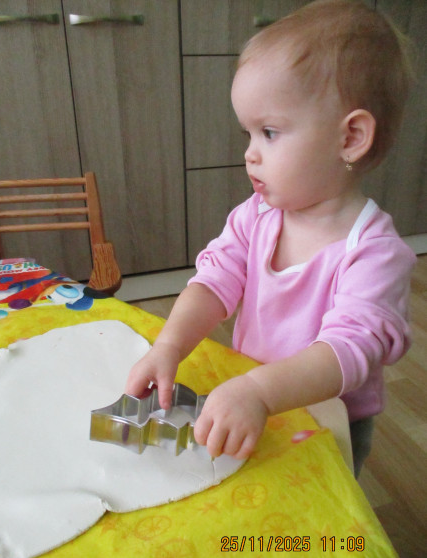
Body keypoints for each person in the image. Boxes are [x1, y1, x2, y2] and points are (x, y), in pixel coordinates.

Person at [125, 0, 417, 476]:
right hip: (248, 395)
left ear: (350, 139)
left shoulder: (375, 254)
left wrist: (260, 392)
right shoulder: (257, 216)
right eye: (248, 133)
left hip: (325, 419)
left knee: (313, 501)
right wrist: (169, 346)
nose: (250, 154)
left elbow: (348, 352)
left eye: (269, 132)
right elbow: (213, 282)